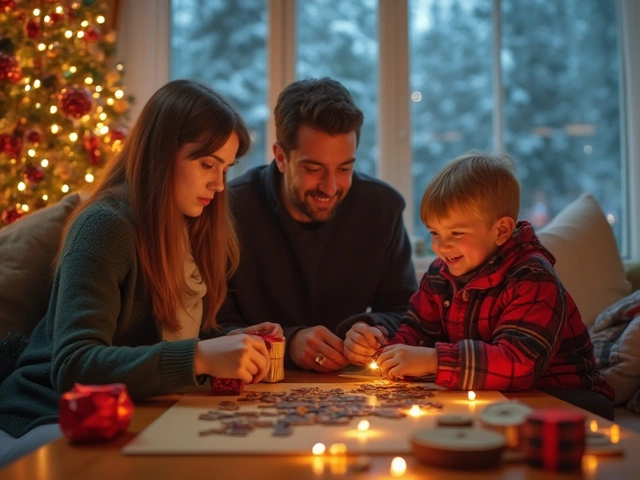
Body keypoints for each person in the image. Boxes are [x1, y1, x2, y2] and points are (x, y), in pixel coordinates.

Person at [0, 79, 281, 467]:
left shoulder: (189, 225)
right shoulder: (104, 226)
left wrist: (232, 342)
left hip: (138, 407)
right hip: (47, 413)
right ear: (162, 154)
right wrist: (199, 357)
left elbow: (166, 336)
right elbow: (74, 365)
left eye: (225, 169)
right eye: (206, 165)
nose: (218, 185)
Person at [343, 151, 615, 419]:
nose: (440, 246)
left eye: (456, 233)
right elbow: (415, 331)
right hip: (497, 394)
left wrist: (432, 360)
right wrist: (382, 345)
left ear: (501, 231)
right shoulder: (440, 274)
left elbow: (518, 363)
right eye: (435, 232)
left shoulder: (532, 277)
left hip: (567, 398)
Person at [217, 77, 417, 372]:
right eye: (314, 168)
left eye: (344, 168)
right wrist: (287, 342)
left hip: (355, 387)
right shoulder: (228, 210)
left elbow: (405, 311)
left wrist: (371, 329)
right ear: (281, 157)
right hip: (253, 384)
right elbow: (213, 328)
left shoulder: (382, 208)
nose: (330, 187)